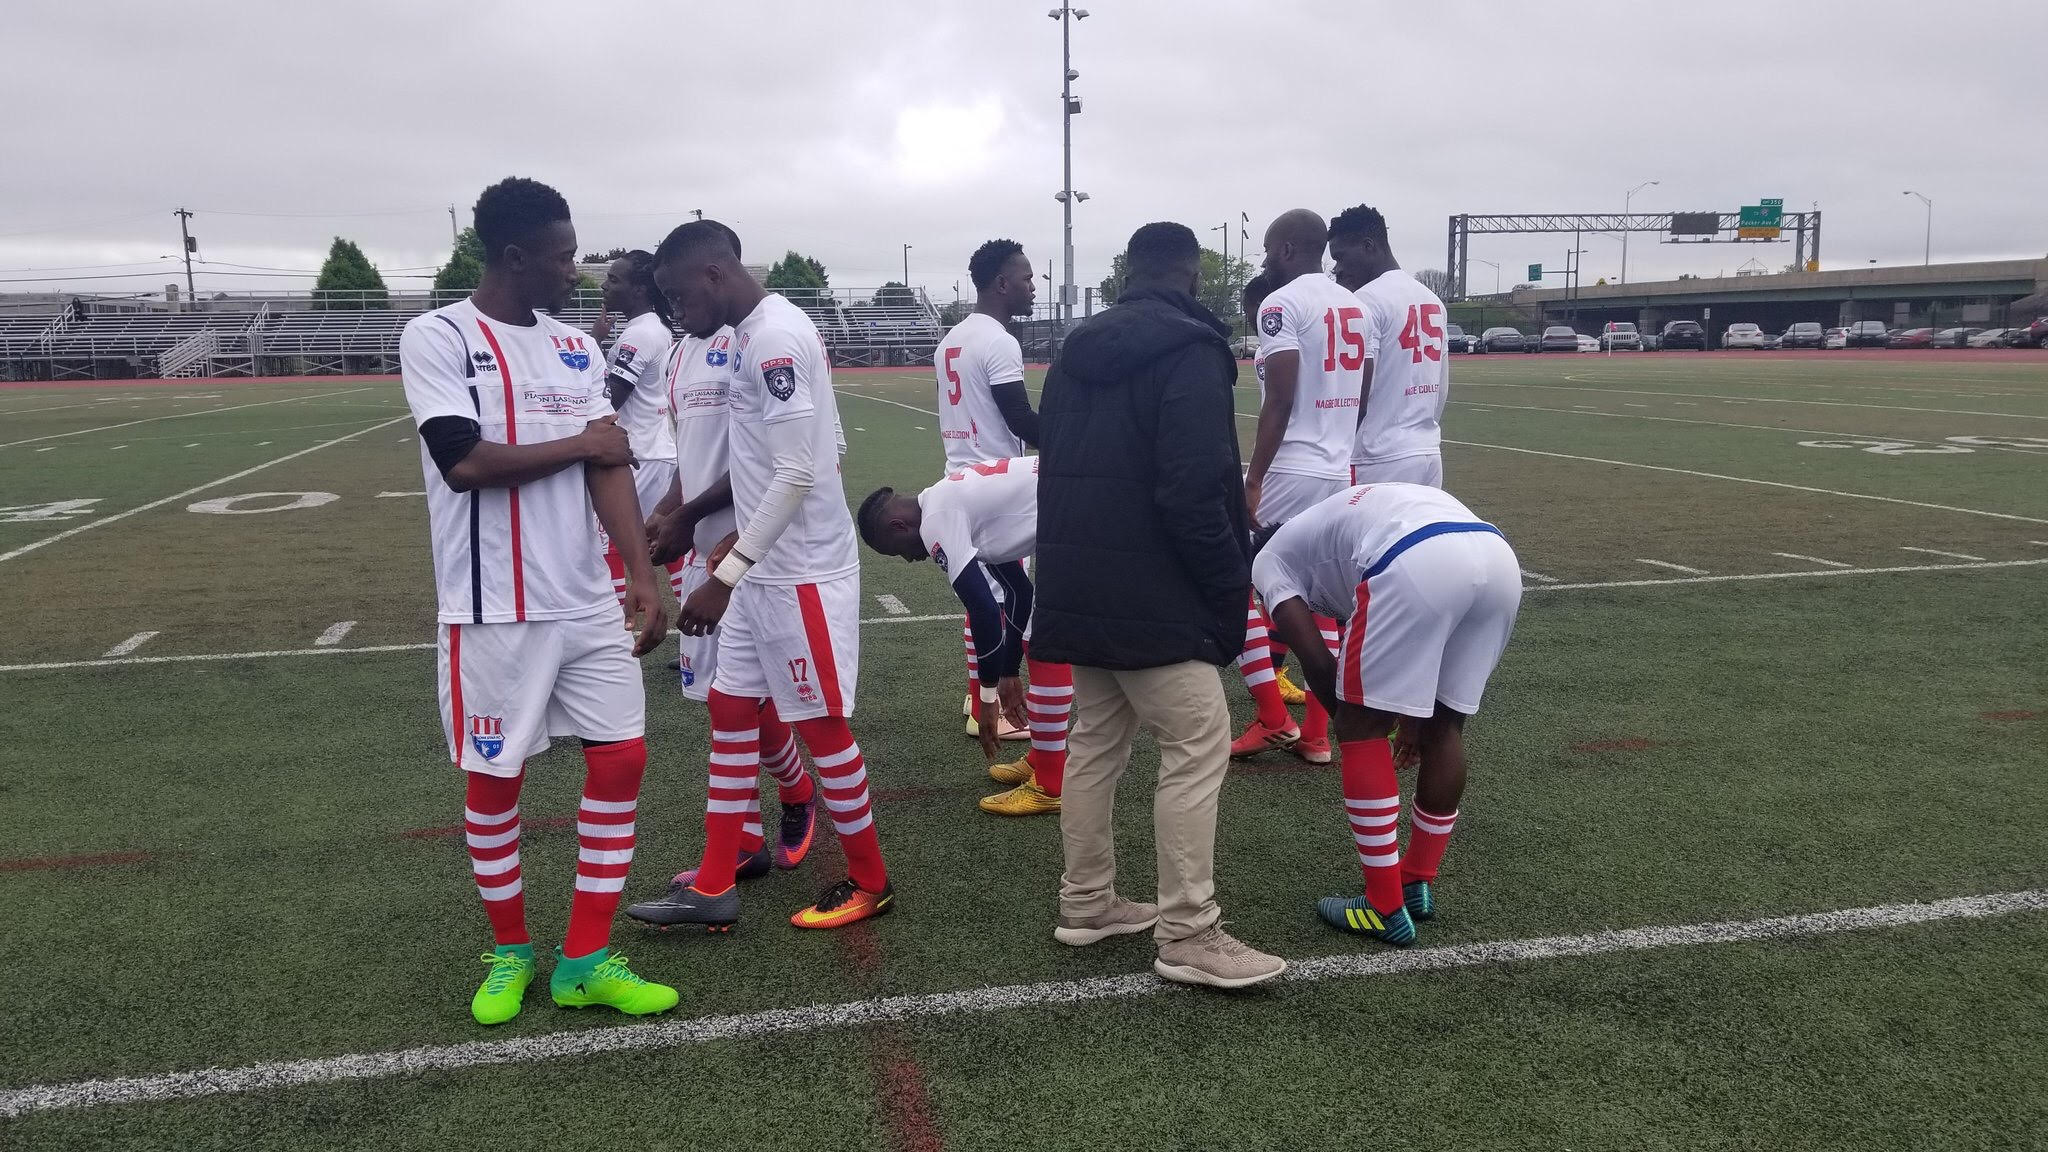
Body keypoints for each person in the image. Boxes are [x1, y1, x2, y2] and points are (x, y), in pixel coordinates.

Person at [398, 177, 675, 1025]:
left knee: (622, 760)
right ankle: (511, 952)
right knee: (496, 782)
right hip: (492, 608)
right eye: (563, 258)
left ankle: (583, 961)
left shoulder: (576, 348)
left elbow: (609, 463)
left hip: (586, 598)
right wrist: (582, 443)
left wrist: (641, 572)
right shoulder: (438, 336)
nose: (575, 272)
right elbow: (464, 462)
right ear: (515, 257)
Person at [1033, 221, 1284, 989]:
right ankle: (1188, 931)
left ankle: (1087, 902)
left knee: (1096, 742)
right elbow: (1195, 490)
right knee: (1197, 742)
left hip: (1077, 577)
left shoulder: (1075, 350)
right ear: (1191, 275)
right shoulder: (1191, 350)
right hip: (1152, 588)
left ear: (1128, 273)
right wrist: (1228, 584)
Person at [626, 220, 892, 932]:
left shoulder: (773, 337)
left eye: (678, 296)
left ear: (713, 274)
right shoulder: (749, 333)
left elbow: (799, 471)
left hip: (799, 572)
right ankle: (716, 882)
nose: (676, 312)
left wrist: (728, 571)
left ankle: (872, 882)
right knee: (731, 706)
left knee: (823, 728)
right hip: (758, 569)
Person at [1252, 482, 1521, 946]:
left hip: (1412, 558)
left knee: (1359, 727)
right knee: (1445, 727)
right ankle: (1415, 882)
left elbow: (1317, 661)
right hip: (1496, 558)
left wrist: (1364, 724)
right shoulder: (1324, 530)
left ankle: (1382, 905)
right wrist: (1409, 718)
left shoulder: (1267, 560)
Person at [855, 456, 1073, 817]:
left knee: (1048, 642)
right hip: (1071, 503)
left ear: (898, 526)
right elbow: (1018, 592)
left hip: (1082, 511)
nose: (909, 560)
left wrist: (987, 700)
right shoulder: (954, 504)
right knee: (1036, 633)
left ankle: (1051, 785)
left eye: (898, 551)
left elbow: (984, 611)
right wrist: (1008, 672)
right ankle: (1044, 760)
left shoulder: (936, 520)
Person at [1230, 211, 1364, 768]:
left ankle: (1272, 715)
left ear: (1286, 249)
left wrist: (1255, 477)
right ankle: (1315, 735)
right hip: (1335, 467)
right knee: (1321, 598)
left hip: (1291, 467)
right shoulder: (1355, 304)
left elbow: (1281, 399)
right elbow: (1364, 393)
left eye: (1267, 250)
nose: (1264, 261)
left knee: (1232, 583)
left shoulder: (1280, 304)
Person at [934, 239, 1040, 744]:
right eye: (1026, 278)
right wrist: (1077, 441)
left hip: (960, 474)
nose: (1032, 287)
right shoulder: (998, 341)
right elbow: (1018, 417)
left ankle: (978, 694)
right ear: (1001, 284)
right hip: (996, 486)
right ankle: (987, 708)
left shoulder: (951, 338)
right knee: (1005, 603)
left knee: (985, 597)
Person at [592, 251, 688, 608]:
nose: (604, 286)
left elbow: (610, 400)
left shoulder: (639, 336)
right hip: (655, 449)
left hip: (638, 455)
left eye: (614, 279)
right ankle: (699, 629)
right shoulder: (655, 329)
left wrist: (593, 344)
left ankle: (613, 628)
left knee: (607, 543)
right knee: (664, 540)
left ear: (639, 289)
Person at [1327, 205, 1448, 486]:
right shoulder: (1432, 299)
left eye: (1340, 256)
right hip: (1427, 451)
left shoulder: (1365, 300)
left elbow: (1357, 389)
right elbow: (1441, 388)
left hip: (1378, 457)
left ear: (1368, 246)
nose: (1337, 268)